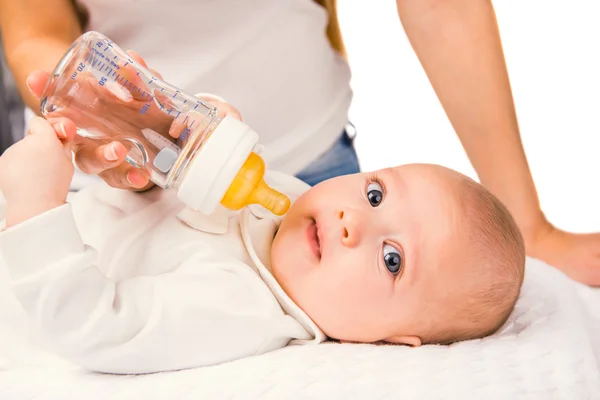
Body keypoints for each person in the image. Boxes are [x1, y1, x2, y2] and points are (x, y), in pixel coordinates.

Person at [1, 0, 599, 286]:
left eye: (376, 195)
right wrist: (102, 113)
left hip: (315, 167)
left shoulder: (335, 221)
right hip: (121, 194)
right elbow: (34, 32)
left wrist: (527, 225)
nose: (351, 222)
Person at [0, 114, 525, 374]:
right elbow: (192, 181)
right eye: (374, 193)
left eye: (392, 260)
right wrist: (193, 127)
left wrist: (36, 210)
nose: (350, 223)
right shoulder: (291, 205)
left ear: (390, 341)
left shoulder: (242, 309)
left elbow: (96, 326)